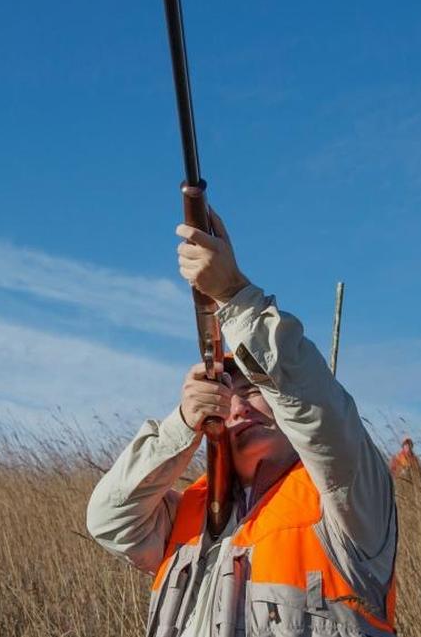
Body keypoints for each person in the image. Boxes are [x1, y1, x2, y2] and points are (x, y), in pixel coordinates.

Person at [86, 209, 397, 637]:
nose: (239, 406)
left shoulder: (346, 501)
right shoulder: (189, 514)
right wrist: (182, 424)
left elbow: (318, 412)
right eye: (225, 395)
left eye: (254, 389)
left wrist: (233, 293)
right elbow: (108, 518)